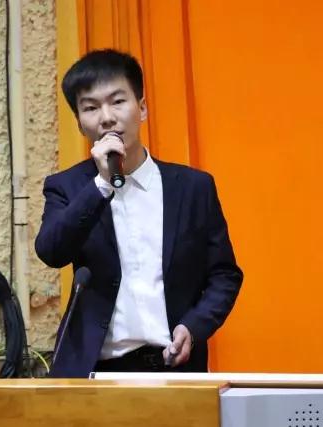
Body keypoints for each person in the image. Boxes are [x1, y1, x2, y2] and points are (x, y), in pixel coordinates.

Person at [35, 49, 242, 378]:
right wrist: (101, 184)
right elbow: (51, 251)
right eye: (91, 107)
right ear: (80, 124)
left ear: (142, 108)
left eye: (118, 101)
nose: (106, 117)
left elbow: (224, 275)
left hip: (174, 370)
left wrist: (194, 326)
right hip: (94, 372)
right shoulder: (68, 187)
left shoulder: (193, 188)